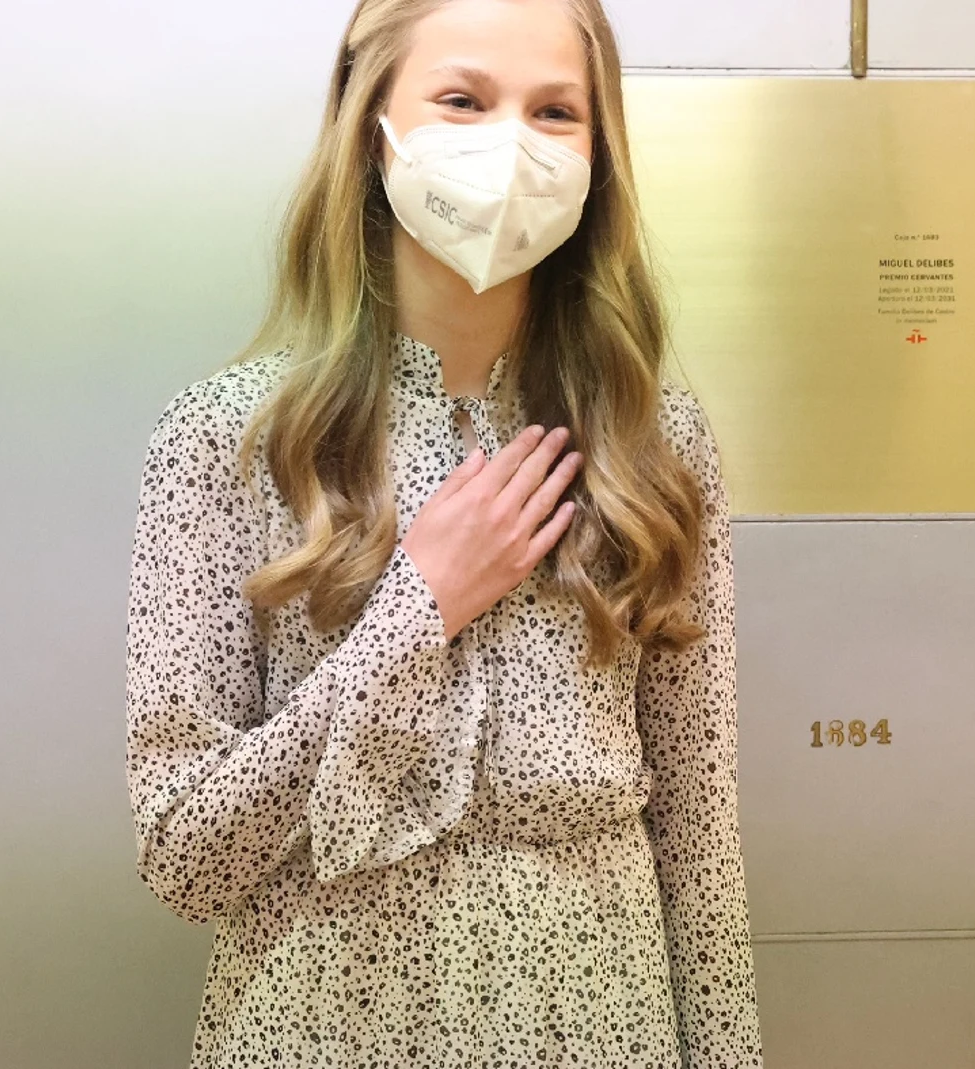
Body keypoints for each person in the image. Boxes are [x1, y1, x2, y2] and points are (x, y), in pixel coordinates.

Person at [123, 0, 763, 1065]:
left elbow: (699, 834)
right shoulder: (223, 444)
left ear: (600, 157)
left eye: (556, 111)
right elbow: (186, 859)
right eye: (463, 99)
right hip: (323, 1028)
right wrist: (413, 614)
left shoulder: (654, 446)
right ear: (371, 124)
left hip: (598, 1027)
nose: (510, 143)